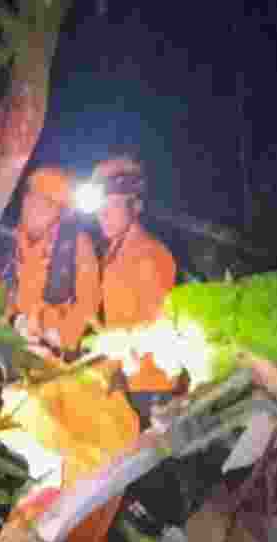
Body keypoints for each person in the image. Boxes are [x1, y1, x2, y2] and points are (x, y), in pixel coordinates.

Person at [90, 155, 180, 422]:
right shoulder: (112, 255)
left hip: (151, 388)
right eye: (98, 207)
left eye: (111, 205)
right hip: (126, 383)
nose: (101, 214)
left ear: (135, 205)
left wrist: (124, 346)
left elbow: (161, 329)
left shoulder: (149, 254)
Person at [6, 166, 101, 356]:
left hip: (50, 347)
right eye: (31, 196)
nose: (34, 206)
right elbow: (0, 287)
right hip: (9, 336)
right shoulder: (9, 235)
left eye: (46, 202)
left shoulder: (77, 243)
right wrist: (15, 320)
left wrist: (58, 336)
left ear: (60, 212)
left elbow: (88, 303)